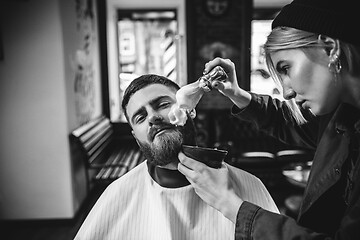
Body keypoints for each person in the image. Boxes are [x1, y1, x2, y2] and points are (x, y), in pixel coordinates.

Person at [177, 0, 360, 239]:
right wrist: (236, 93)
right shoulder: (342, 119)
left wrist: (230, 204)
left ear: (330, 47)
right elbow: (289, 121)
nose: (287, 93)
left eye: (286, 68)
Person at [74, 74, 279, 240]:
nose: (153, 117)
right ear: (136, 137)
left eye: (162, 104)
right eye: (140, 117)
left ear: (190, 110)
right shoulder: (117, 195)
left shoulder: (249, 185)